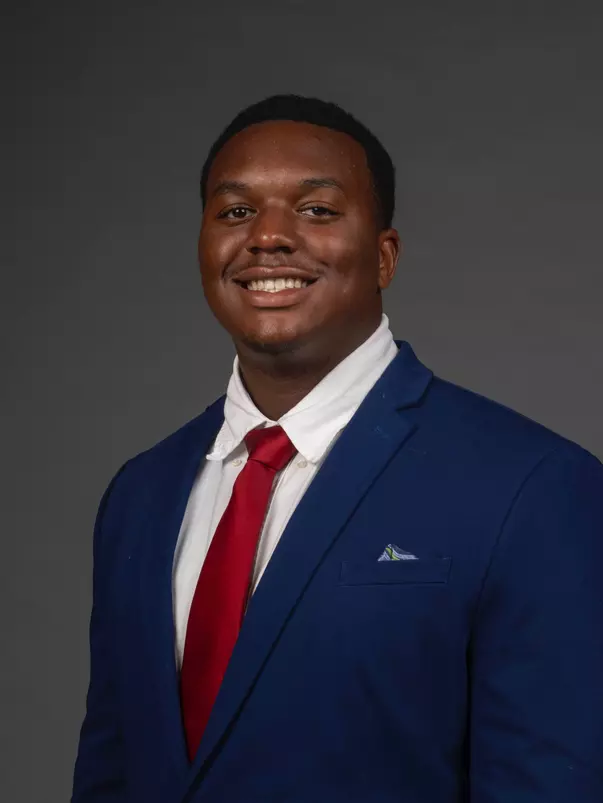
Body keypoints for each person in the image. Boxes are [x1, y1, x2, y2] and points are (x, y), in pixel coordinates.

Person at [71, 94, 603, 803]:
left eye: (315, 210)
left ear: (384, 256)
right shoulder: (139, 494)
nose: (266, 237)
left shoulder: (534, 487)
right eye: (234, 211)